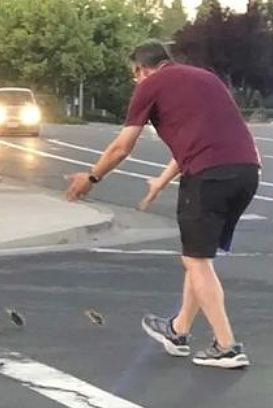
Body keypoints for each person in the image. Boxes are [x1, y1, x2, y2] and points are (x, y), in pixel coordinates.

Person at [65, 40, 261, 369]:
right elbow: (204, 138)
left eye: (135, 75)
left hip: (208, 177)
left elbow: (121, 147)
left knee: (197, 262)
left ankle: (226, 346)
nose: (136, 81)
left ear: (142, 68)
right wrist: (161, 180)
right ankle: (178, 329)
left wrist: (92, 178)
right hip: (246, 172)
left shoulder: (150, 85)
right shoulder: (206, 78)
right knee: (199, 256)